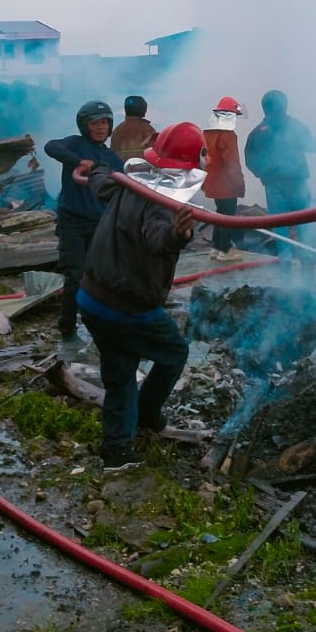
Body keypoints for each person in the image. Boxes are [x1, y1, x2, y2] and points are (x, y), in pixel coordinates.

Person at [75, 123, 201, 469]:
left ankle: (116, 449)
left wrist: (97, 167)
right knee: (174, 352)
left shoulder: (130, 180)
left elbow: (102, 181)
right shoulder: (164, 202)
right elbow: (158, 237)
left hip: (92, 298)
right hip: (127, 307)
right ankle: (146, 414)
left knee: (120, 370)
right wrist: (178, 235)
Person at [44, 101, 120, 347]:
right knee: (75, 276)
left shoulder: (111, 158)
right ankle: (67, 330)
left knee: (102, 278)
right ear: (84, 125)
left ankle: (101, 327)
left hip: (100, 223)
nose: (100, 128)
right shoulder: (75, 144)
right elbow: (50, 146)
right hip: (72, 222)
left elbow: (123, 188)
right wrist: (79, 161)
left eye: (105, 122)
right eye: (95, 123)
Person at [244, 90, 316, 260]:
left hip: (274, 185)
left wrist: (264, 174)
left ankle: (286, 274)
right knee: (304, 226)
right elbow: (310, 144)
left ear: (264, 108)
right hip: (297, 183)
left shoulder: (257, 133)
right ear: (285, 105)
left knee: (280, 229)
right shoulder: (295, 127)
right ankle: (306, 271)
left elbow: (250, 160)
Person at [202, 96, 246, 261]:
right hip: (225, 184)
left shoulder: (206, 133)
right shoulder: (228, 136)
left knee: (220, 213)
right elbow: (232, 164)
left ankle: (216, 246)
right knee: (227, 215)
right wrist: (239, 185)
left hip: (211, 181)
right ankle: (225, 250)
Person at [109, 95, 156, 163]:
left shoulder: (117, 130)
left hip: (121, 170)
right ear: (143, 109)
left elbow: (112, 154)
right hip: (142, 170)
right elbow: (155, 153)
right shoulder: (147, 129)